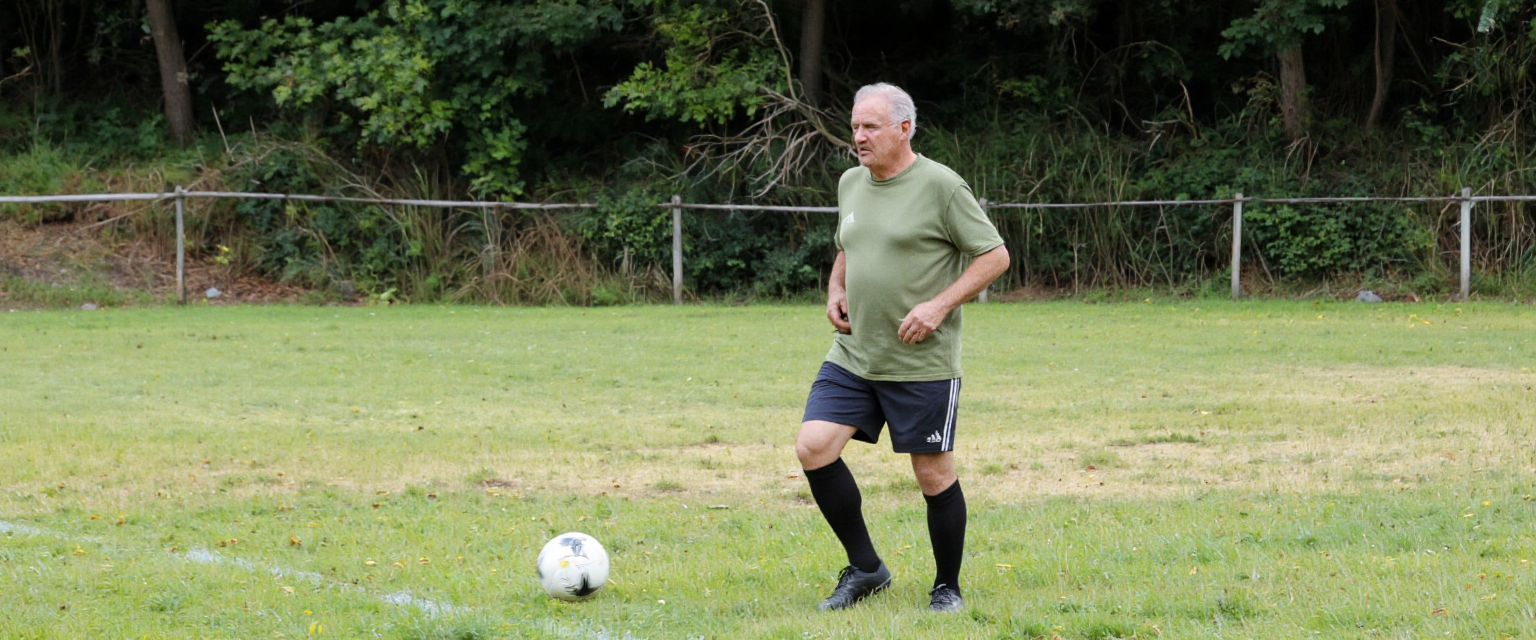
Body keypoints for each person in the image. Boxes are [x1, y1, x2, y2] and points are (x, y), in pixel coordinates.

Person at [796, 82, 1009, 613]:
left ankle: (947, 588)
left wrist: (938, 307)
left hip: (921, 361)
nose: (858, 137)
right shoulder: (851, 182)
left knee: (933, 474)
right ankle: (867, 568)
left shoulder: (941, 186)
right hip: (855, 354)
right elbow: (850, 241)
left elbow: (994, 255)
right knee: (814, 446)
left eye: (870, 127)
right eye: (854, 127)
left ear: (904, 129)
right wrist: (836, 286)